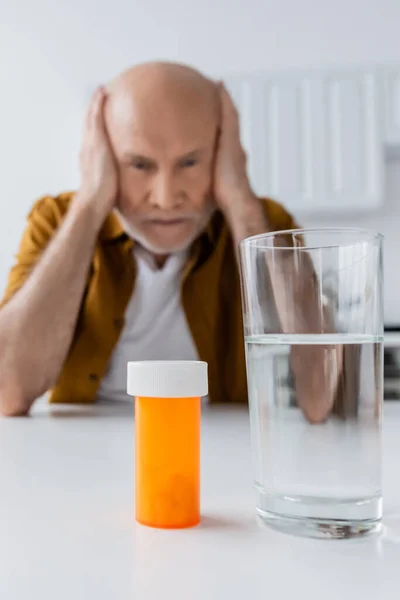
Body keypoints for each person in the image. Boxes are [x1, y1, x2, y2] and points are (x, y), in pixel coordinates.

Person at [0, 62, 340, 419]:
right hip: (84, 458)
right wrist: (89, 204)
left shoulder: (265, 225)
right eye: (140, 165)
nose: (165, 198)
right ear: (104, 159)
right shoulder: (58, 220)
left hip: (224, 456)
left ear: (223, 153)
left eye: (190, 162)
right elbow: (8, 391)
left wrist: (241, 199)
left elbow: (322, 398)